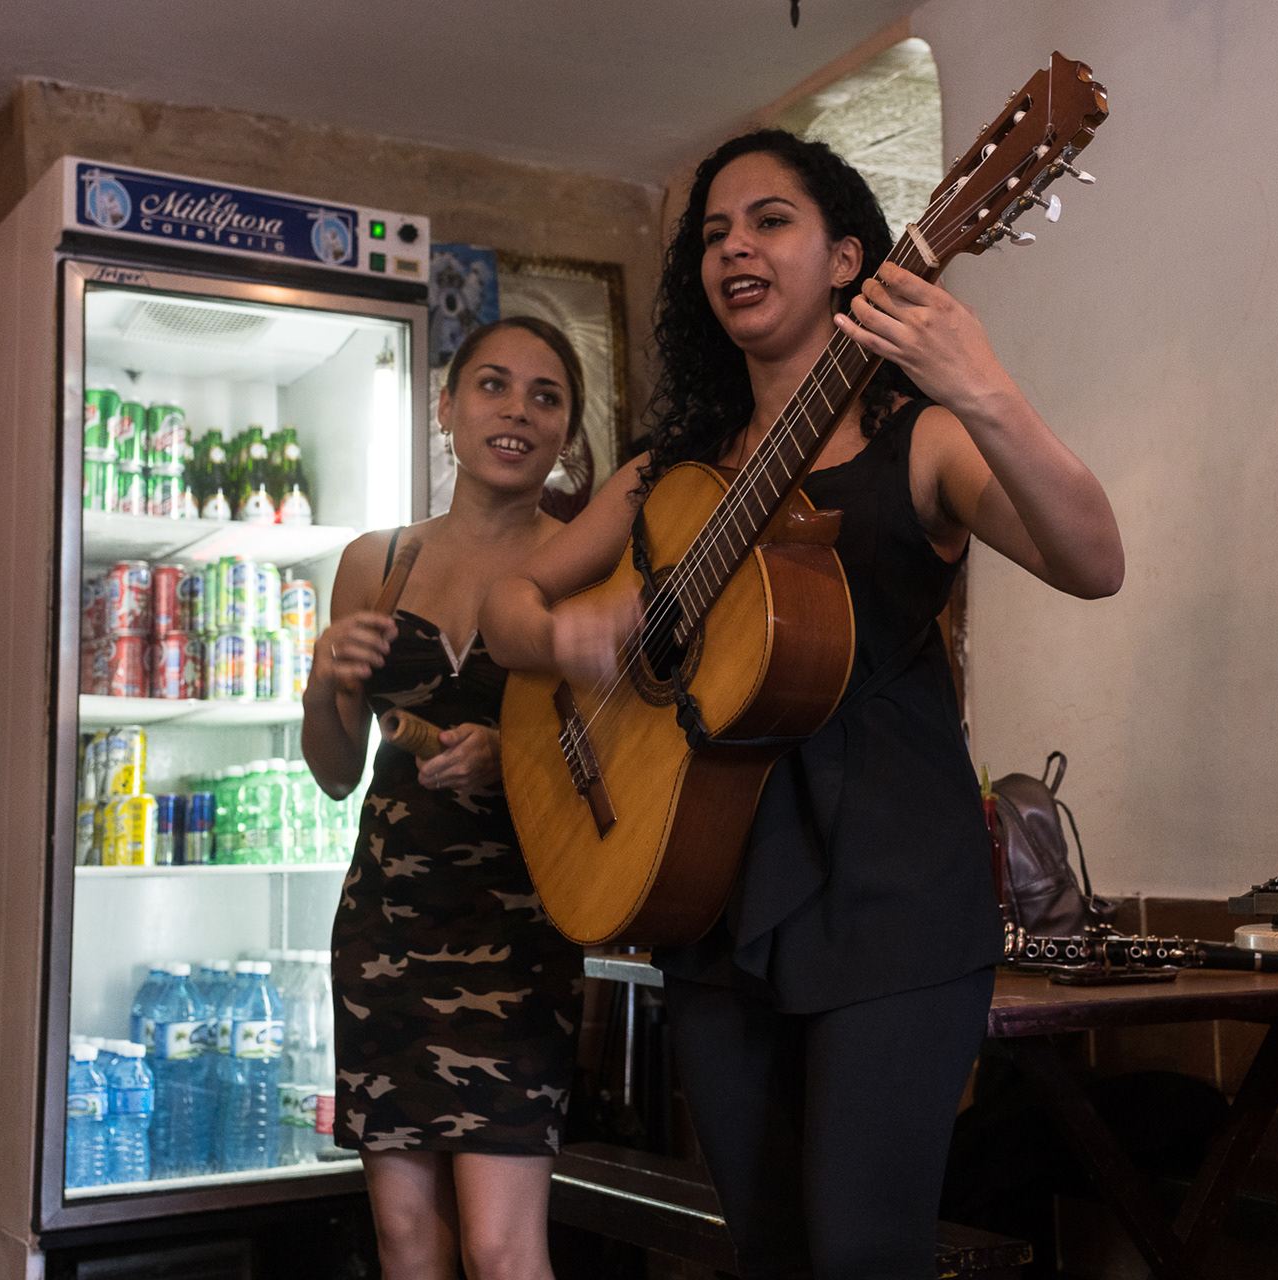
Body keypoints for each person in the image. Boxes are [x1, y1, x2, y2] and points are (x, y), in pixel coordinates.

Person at [482, 129, 1123, 1279]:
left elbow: (1094, 558)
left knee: (864, 1252)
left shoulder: (919, 440)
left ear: (848, 259)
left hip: (892, 893)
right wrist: (566, 636)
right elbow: (507, 603)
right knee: (770, 1254)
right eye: (716, 232)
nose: (735, 246)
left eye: (769, 219)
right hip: (710, 895)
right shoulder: (663, 475)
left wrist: (980, 384)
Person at [303, 316, 589, 1280]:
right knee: (406, 1241)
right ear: (445, 408)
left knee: (505, 1249)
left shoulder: (588, 566)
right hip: (385, 925)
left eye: (545, 396)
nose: (516, 411)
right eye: (492, 386)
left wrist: (517, 759)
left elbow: (628, 759)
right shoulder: (374, 562)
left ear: (565, 432)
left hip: (521, 930)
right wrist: (325, 681)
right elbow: (336, 772)